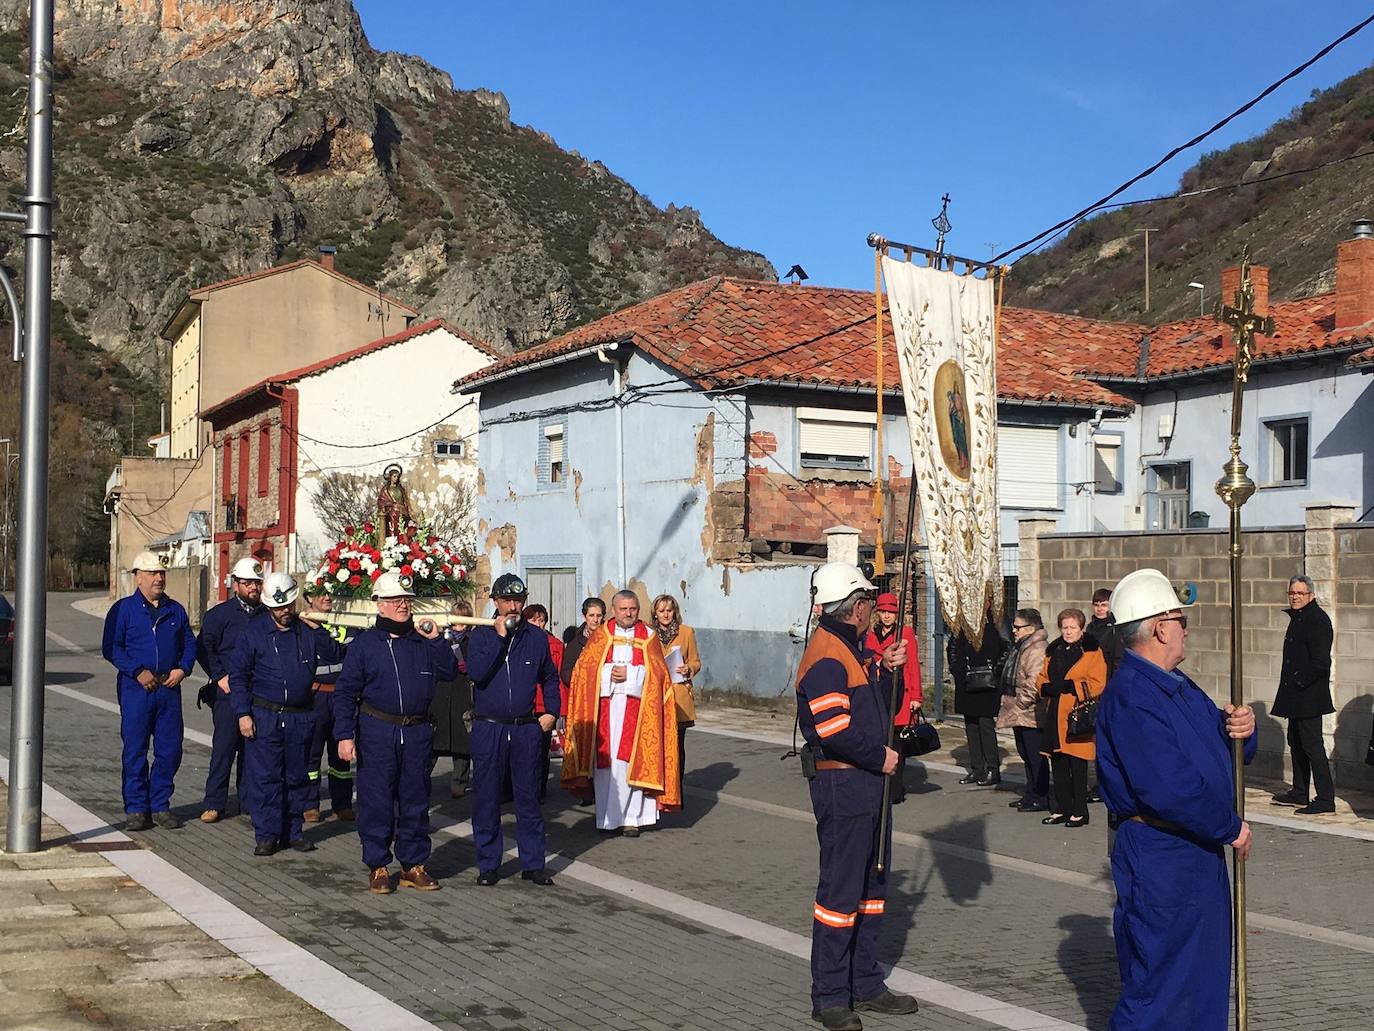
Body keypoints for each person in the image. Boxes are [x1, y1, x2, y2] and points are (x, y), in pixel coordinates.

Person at [1096, 567, 1257, 1031]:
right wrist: (1230, 827)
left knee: (1202, 981)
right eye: (1180, 619)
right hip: (1162, 855)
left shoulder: (1178, 685)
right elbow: (1167, 788)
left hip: (1196, 852)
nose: (1186, 628)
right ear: (1160, 627)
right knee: (1160, 989)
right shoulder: (1132, 694)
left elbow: (1223, 745)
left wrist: (1242, 730)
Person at [794, 562, 918, 1031]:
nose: (870, 609)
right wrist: (882, 758)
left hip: (865, 785)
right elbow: (835, 730)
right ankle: (829, 996)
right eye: (867, 601)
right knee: (840, 894)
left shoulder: (852, 649)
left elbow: (873, 708)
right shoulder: (828, 656)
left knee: (871, 890)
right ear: (858, 608)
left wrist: (886, 671)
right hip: (845, 784)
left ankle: (865, 983)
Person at [334, 571, 456, 894]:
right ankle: (377, 865)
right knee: (377, 800)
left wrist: (437, 639)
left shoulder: (422, 642)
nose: (402, 605)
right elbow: (345, 693)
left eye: (406, 600)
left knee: (415, 799)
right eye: (394, 600)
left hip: (416, 732)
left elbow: (449, 671)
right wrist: (345, 736)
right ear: (379, 605)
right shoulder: (364, 646)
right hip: (377, 731)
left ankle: (413, 864)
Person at [231, 573, 343, 856]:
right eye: (278, 608)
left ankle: (293, 831)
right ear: (269, 606)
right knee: (266, 778)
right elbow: (239, 677)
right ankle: (267, 835)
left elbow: (336, 653)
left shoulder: (306, 631)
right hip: (265, 715)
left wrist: (317, 629)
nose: (284, 612)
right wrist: (243, 714)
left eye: (288, 606)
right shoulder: (253, 633)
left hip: (300, 716)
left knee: (297, 777)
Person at [464, 574, 561, 886]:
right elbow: (477, 674)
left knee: (528, 798)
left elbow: (550, 677)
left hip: (525, 729)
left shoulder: (535, 637)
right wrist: (499, 637)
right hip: (488, 728)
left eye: (518, 600)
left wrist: (551, 711)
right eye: (506, 600)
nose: (513, 606)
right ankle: (489, 864)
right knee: (487, 798)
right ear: (495, 602)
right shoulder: (481, 634)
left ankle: (533, 863)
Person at [562, 590, 680, 837]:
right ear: (614, 610)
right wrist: (606, 674)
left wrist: (632, 675)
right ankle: (608, 818)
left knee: (633, 762)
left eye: (633, 609)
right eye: (624, 609)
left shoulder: (648, 636)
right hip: (606, 709)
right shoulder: (600, 636)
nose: (628, 614)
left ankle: (634, 820)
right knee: (609, 765)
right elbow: (583, 674)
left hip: (638, 712)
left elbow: (660, 677)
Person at [102, 551, 198, 832]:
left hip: (168, 689)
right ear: (138, 577)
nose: (159, 579)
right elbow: (112, 648)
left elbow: (190, 644)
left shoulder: (175, 610)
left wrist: (183, 668)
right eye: (153, 574)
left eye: (162, 574)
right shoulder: (123, 611)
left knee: (170, 750)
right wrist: (136, 671)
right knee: (135, 749)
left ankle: (160, 806)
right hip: (137, 690)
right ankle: (136, 809)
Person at [196, 557, 268, 823]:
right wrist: (218, 677)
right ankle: (214, 802)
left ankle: (248, 803)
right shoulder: (220, 615)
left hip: (257, 692)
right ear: (235, 584)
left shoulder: (265, 614)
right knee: (224, 748)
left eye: (257, 583)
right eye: (247, 583)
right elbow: (203, 648)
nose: (253, 588)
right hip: (227, 693)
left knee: (252, 749)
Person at [1271, 574, 1336, 815]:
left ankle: (1326, 798)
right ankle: (1299, 792)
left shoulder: (1317, 620)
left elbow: (1321, 663)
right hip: (1296, 696)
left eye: (1300, 593)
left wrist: (1299, 681)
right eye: (1292, 593)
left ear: (1311, 595)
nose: (1295, 597)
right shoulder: (1298, 618)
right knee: (1296, 742)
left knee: (1312, 746)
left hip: (1309, 696)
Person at [1036, 608, 1106, 829]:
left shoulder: (1092, 651)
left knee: (1077, 767)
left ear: (1081, 628)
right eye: (1064, 627)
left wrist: (1072, 686)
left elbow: (1098, 682)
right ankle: (1061, 808)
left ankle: (1079, 811)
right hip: (1055, 713)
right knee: (1057, 764)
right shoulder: (1053, 650)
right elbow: (1042, 676)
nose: (1068, 632)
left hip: (1077, 714)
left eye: (1072, 627)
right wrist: (1044, 688)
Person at [300, 587, 354, 823]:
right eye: (319, 593)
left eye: (330, 592)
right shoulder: (302, 625)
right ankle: (310, 803)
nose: (326, 597)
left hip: (341, 697)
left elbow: (346, 655)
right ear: (308, 598)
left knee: (341, 755)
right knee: (311, 756)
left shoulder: (347, 623)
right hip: (315, 697)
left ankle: (341, 804)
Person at [863, 592, 920, 805]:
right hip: (878, 693)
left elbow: (913, 666)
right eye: (884, 612)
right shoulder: (871, 634)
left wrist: (916, 696)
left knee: (897, 745)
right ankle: (882, 787)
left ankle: (895, 791)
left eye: (891, 612)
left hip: (901, 695)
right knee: (880, 743)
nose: (887, 616)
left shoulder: (905, 633)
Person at [997, 608, 1050, 812]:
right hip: (1019, 710)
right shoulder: (1023, 646)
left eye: (1018, 627)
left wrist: (1020, 703)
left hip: (1031, 712)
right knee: (1025, 753)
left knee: (1035, 756)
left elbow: (1035, 682)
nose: (1014, 630)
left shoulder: (1037, 649)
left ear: (1031, 628)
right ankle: (1031, 794)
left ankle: (1040, 796)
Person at [947, 614, 1006, 786]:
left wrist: (995, 670)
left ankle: (992, 769)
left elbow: (1007, 646)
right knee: (971, 724)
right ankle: (977, 769)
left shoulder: (997, 619)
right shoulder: (963, 620)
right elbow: (952, 646)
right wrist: (956, 667)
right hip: (966, 678)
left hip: (986, 680)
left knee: (985, 723)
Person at [652, 593, 701, 790]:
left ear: (675, 612)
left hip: (679, 694)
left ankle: (676, 786)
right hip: (656, 695)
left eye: (669, 610)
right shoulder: (648, 635)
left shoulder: (686, 632)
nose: (666, 615)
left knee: (677, 744)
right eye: (661, 611)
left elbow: (696, 661)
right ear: (655, 613)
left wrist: (688, 668)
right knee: (658, 743)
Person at [430, 597, 475, 800]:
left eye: (463, 620)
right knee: (435, 739)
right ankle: (423, 776)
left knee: (462, 741)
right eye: (456, 620)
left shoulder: (472, 640)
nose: (459, 625)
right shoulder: (442, 639)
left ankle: (459, 782)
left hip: (462, 692)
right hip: (441, 691)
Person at [522, 603, 564, 802]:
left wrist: (558, 710)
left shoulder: (554, 644)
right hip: (524, 703)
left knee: (541, 751)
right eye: (533, 619)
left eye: (541, 620)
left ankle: (539, 789)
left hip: (543, 705)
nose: (538, 624)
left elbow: (557, 679)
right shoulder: (519, 642)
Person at [1088, 587, 1125, 675]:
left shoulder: (1116, 627)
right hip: (1093, 675)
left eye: (1104, 605)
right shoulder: (1090, 627)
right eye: (1096, 605)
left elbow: (1118, 658)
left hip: (1109, 675)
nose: (1099, 609)